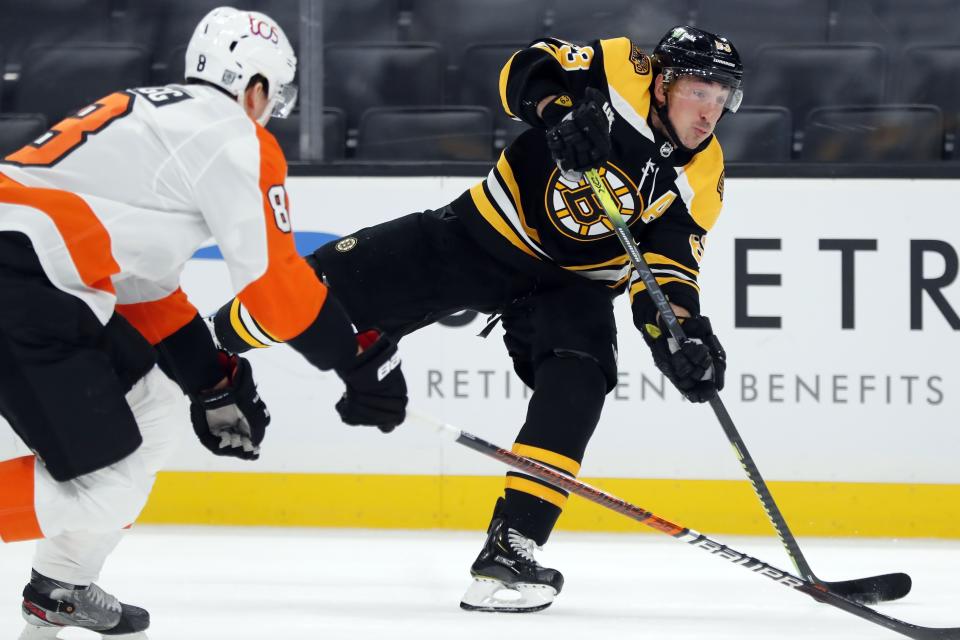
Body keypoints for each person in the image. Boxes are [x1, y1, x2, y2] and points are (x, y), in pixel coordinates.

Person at [211, 25, 741, 612]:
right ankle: (200, 352)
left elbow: (666, 279)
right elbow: (524, 69)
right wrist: (560, 114)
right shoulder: (618, 66)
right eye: (700, 92)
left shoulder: (702, 178)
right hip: (482, 235)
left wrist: (683, 339)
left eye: (723, 99)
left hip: (574, 289)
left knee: (580, 378)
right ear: (664, 82)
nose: (710, 112)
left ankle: (512, 548)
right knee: (319, 291)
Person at [0, 7, 406, 636]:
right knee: (108, 488)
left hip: (37, 277)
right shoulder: (233, 134)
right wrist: (356, 358)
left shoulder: (151, 115)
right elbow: (273, 288)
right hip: (23, 280)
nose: (273, 111)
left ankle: (62, 587)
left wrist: (212, 381)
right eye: (276, 96)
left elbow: (143, 288)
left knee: (155, 402)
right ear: (257, 87)